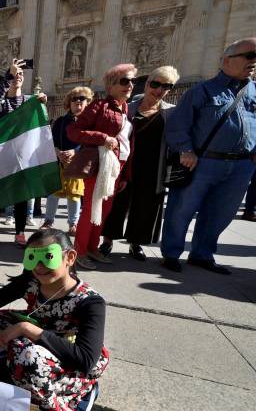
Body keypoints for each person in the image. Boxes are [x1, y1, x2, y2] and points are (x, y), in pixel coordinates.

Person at [0, 229, 108, 411]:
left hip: (66, 355)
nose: (39, 266)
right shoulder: (31, 281)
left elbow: (85, 358)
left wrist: (28, 329)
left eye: (48, 257)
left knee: (27, 358)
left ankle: (65, 400)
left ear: (70, 257)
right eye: (32, 258)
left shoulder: (90, 302)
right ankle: (12, 364)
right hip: (29, 340)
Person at [161, 37, 256, 274]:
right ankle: (172, 253)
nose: (253, 63)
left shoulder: (254, 91)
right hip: (202, 162)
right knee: (182, 209)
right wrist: (185, 150)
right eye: (249, 56)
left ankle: (202, 254)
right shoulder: (202, 90)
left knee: (221, 213)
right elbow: (178, 125)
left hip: (241, 165)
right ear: (227, 60)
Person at [100, 66, 179, 261]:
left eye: (166, 86)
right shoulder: (128, 107)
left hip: (154, 166)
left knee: (146, 206)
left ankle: (136, 244)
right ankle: (107, 241)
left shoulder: (171, 113)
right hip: (125, 164)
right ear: (147, 83)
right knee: (117, 202)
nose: (159, 90)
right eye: (155, 84)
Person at [67, 63, 137, 270]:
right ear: (110, 85)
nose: (130, 85)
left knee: (104, 211)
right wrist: (103, 137)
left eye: (132, 81)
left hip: (118, 166)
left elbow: (127, 144)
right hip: (100, 164)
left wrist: (125, 175)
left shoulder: (126, 110)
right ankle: (78, 251)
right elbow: (73, 130)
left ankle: (92, 248)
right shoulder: (100, 106)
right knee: (91, 209)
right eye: (124, 81)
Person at [0, 59, 48, 248]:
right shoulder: (1, 104)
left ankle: (20, 233)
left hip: (23, 158)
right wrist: (7, 76)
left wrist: (42, 104)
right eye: (13, 75)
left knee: (21, 196)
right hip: (1, 158)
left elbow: (41, 126)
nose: (16, 78)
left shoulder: (30, 102)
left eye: (20, 74)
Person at [40, 86, 94, 235]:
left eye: (82, 98)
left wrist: (74, 152)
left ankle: (73, 224)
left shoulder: (90, 123)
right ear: (68, 103)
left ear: (87, 102)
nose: (78, 101)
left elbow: (90, 143)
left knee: (74, 195)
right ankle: (48, 221)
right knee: (53, 193)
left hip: (78, 164)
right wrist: (57, 152)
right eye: (74, 99)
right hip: (59, 162)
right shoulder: (60, 121)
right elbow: (51, 140)